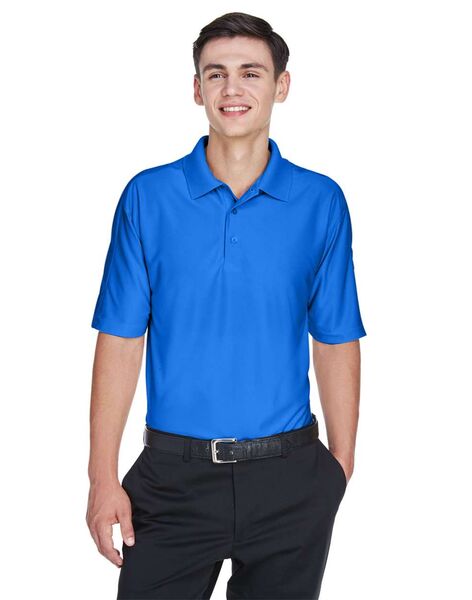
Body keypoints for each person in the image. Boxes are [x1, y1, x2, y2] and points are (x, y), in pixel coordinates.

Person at [86, 11, 366, 600]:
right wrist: (102, 476)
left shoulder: (321, 201)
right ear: (197, 89)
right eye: (216, 74)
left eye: (251, 73)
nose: (232, 88)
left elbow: (335, 334)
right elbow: (120, 338)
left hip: (291, 478)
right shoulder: (148, 197)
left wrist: (338, 467)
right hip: (171, 479)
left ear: (281, 86)